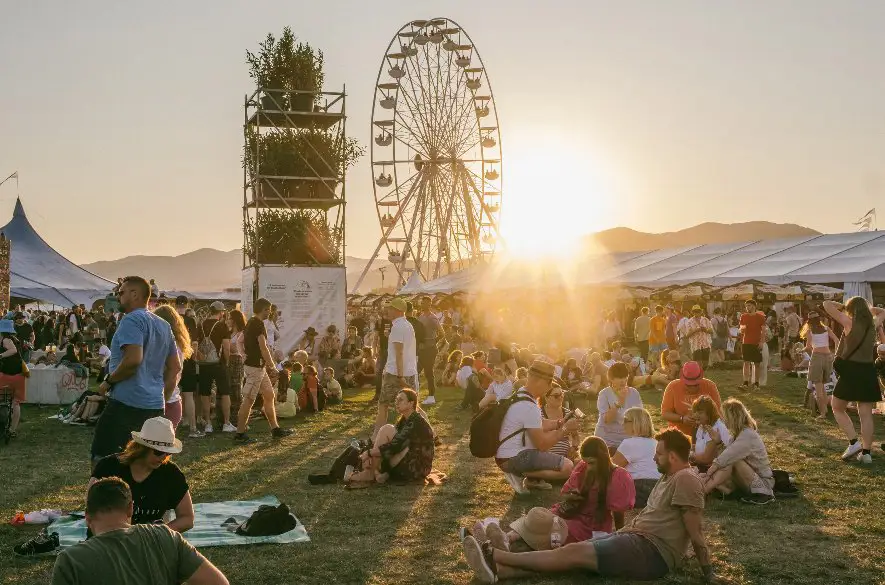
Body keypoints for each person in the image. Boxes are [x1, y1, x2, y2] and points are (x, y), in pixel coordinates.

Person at [462, 428, 718, 584]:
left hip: (650, 552)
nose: (653, 457)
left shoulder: (685, 479)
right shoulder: (669, 476)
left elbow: (695, 531)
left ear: (673, 456)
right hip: (636, 540)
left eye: (659, 454)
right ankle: (501, 572)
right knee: (574, 556)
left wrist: (708, 572)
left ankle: (494, 555)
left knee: (574, 554)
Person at [51, 477, 229, 585]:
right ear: (130, 509)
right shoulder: (166, 536)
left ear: (87, 517)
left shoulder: (70, 560)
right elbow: (218, 582)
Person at [90, 277, 182, 469]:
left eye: (121, 292)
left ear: (135, 294)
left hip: (126, 404)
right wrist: (161, 397)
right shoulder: (163, 325)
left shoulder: (131, 319)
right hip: (154, 406)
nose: (118, 296)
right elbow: (175, 367)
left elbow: (133, 360)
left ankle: (107, 497)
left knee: (104, 461)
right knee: (142, 464)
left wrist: (108, 381)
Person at [91, 417, 194, 530]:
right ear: (141, 448)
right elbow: (91, 511)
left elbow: (187, 518)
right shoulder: (108, 467)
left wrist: (156, 533)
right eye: (158, 451)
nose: (164, 457)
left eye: (168, 453)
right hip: (110, 538)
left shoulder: (170, 474)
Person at [496, 360, 579, 494]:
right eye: (549, 383)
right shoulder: (530, 407)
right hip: (517, 457)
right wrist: (565, 430)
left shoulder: (520, 395)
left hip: (506, 456)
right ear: (540, 382)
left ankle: (528, 476)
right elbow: (542, 445)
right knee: (568, 467)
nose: (549, 387)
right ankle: (525, 475)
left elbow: (538, 422)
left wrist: (560, 423)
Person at [822, 297, 884, 464]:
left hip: (852, 371)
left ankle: (853, 442)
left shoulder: (849, 322)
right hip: (868, 371)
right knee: (866, 414)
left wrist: (844, 306)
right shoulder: (873, 324)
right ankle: (867, 453)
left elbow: (826, 304)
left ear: (852, 310)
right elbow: (883, 312)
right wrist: (868, 310)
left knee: (836, 406)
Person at [234, 297, 292, 443]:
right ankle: (240, 434)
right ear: (264, 309)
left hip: (257, 367)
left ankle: (275, 429)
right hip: (255, 368)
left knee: (269, 395)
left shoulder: (251, 323)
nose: (270, 312)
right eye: (269, 310)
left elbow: (239, 341)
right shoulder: (258, 324)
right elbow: (263, 347)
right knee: (249, 399)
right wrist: (272, 366)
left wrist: (243, 354)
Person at [346, 389, 434, 484]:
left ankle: (371, 473)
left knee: (387, 429)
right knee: (382, 445)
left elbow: (395, 446)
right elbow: (395, 445)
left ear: (411, 403)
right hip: (410, 459)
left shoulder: (416, 421)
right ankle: (376, 473)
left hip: (417, 468)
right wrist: (372, 452)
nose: (396, 402)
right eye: (396, 399)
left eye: (400, 400)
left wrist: (369, 453)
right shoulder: (405, 420)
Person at [700, 399, 775, 504]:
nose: (722, 419)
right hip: (748, 478)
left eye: (724, 416)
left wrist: (709, 473)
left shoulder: (748, 434)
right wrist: (718, 442)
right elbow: (726, 456)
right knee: (726, 464)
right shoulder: (737, 435)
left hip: (763, 483)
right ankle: (717, 490)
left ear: (732, 417)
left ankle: (703, 490)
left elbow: (727, 457)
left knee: (732, 461)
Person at [152, 305, 194, 431]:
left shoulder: (165, 345)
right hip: (174, 401)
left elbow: (171, 373)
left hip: (162, 400)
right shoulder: (179, 344)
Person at [612, 407, 661, 508]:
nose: (622, 424)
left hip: (640, 487)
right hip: (659, 490)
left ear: (636, 423)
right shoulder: (656, 443)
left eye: (625, 420)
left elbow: (611, 468)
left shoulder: (629, 443)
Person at [196, 301, 233, 434]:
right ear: (221, 312)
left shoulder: (200, 324)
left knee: (205, 393)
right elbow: (227, 347)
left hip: (204, 364)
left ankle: (208, 424)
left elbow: (195, 344)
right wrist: (227, 362)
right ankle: (227, 423)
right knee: (224, 393)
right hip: (219, 363)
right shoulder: (222, 325)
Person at [660, 361, 722, 437]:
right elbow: (665, 414)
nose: (692, 388)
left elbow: (719, 413)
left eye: (696, 385)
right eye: (688, 385)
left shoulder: (710, 386)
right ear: (682, 379)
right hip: (679, 435)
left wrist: (703, 421)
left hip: (706, 435)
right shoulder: (673, 387)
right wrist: (682, 418)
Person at [595, 362, 643, 452]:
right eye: (619, 378)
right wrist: (619, 402)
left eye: (625, 377)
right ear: (611, 379)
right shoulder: (604, 394)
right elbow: (607, 420)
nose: (623, 380)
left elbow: (640, 417)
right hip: (608, 440)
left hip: (628, 439)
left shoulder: (634, 393)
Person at [689, 395, 731, 472]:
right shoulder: (702, 425)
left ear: (709, 414)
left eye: (700, 412)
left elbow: (706, 459)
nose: (696, 415)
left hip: (716, 470)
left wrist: (690, 455)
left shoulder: (714, 429)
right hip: (702, 466)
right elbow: (700, 446)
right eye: (695, 412)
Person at [0, 320, 26, 438]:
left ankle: (5, 424)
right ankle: (12, 430)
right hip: (19, 375)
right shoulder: (14, 339)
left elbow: (13, 350)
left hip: (8, 375)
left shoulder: (5, 340)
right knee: (16, 403)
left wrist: (0, 356)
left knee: (5, 399)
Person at [538, 384, 579, 459]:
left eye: (562, 394)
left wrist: (574, 448)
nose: (560, 397)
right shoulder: (538, 414)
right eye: (556, 395)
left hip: (566, 456)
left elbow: (575, 436)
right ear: (546, 398)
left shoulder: (568, 414)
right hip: (545, 456)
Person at [418, 296, 442, 405]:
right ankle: (413, 395)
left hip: (430, 349)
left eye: (424, 303)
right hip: (421, 349)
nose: (422, 304)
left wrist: (432, 342)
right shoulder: (421, 316)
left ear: (429, 304)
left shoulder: (433, 318)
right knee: (416, 371)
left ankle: (431, 396)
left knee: (428, 372)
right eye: (421, 303)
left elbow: (442, 333)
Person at [225, 309, 247, 423]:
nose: (227, 320)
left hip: (237, 361)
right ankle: (230, 416)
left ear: (235, 320)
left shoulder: (241, 333)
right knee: (229, 389)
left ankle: (238, 417)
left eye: (229, 318)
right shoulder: (228, 332)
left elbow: (238, 349)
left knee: (237, 389)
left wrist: (228, 346)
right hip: (229, 361)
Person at [739, 300, 766, 389]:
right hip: (746, 342)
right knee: (746, 363)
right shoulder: (743, 316)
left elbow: (763, 331)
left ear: (754, 306)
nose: (747, 307)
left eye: (749, 305)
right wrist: (741, 330)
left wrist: (761, 342)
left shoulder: (760, 317)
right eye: (746, 306)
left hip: (756, 343)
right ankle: (745, 382)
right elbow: (741, 329)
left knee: (757, 364)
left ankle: (756, 383)